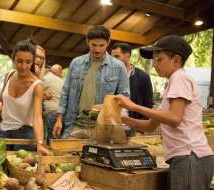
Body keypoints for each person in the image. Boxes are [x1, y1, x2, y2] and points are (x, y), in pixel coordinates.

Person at [115, 35, 214, 190]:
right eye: (153, 60)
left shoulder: (179, 78)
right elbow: (149, 126)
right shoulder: (171, 84)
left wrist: (134, 106)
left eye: (159, 59)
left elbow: (175, 118)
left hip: (190, 155)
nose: (154, 65)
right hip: (186, 157)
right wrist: (119, 118)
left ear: (176, 60)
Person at [53, 25, 130, 138]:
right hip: (74, 125)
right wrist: (59, 119)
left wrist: (106, 105)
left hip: (103, 127)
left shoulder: (118, 67)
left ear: (108, 43)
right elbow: (65, 92)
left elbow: (124, 98)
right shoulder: (76, 63)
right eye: (93, 45)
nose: (97, 50)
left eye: (101, 45)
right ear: (87, 42)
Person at [0, 39, 49, 154]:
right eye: (19, 61)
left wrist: (40, 144)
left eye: (28, 62)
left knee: (19, 169)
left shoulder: (37, 85)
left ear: (32, 62)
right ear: (13, 59)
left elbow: (37, 117)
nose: (23, 66)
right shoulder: (9, 75)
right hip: (3, 132)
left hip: (25, 136)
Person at [111, 43, 153, 119]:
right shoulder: (109, 75)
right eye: (112, 57)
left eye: (117, 56)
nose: (113, 60)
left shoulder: (143, 76)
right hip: (112, 122)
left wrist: (140, 127)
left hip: (133, 124)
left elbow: (148, 104)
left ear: (128, 56)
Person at [42, 64, 64, 142]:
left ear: (60, 73)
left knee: (52, 142)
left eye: (54, 72)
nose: (52, 74)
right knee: (57, 140)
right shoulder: (64, 81)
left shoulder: (45, 78)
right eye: (52, 71)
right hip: (61, 114)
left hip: (52, 115)